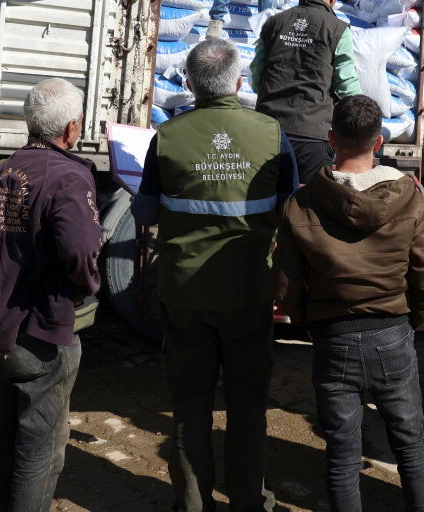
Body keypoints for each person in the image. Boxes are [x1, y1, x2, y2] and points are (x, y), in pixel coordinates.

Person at [132, 38, 299, 512]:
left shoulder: (167, 137)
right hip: (248, 291)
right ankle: (249, 501)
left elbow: (145, 214)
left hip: (184, 293)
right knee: (247, 404)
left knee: (190, 404)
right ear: (240, 83)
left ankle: (192, 503)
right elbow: (291, 209)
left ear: (189, 84)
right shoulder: (270, 133)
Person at [273, 94, 424, 512]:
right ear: (379, 141)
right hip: (393, 333)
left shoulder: (301, 203)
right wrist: (411, 322)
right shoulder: (410, 198)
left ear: (331, 139)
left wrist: (311, 324)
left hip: (333, 338)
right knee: (411, 446)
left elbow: (285, 285)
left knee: (342, 454)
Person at [0, 78, 102, 512]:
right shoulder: (69, 176)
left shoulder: (0, 172)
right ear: (72, 128)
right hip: (39, 334)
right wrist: (85, 288)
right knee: (42, 452)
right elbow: (81, 250)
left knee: (9, 443)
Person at [252, 0, 362, 183]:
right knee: (309, 203)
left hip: (266, 131)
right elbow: (346, 86)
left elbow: (256, 76)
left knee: (265, 200)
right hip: (312, 137)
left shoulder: (273, 23)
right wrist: (363, 118)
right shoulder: (338, 29)